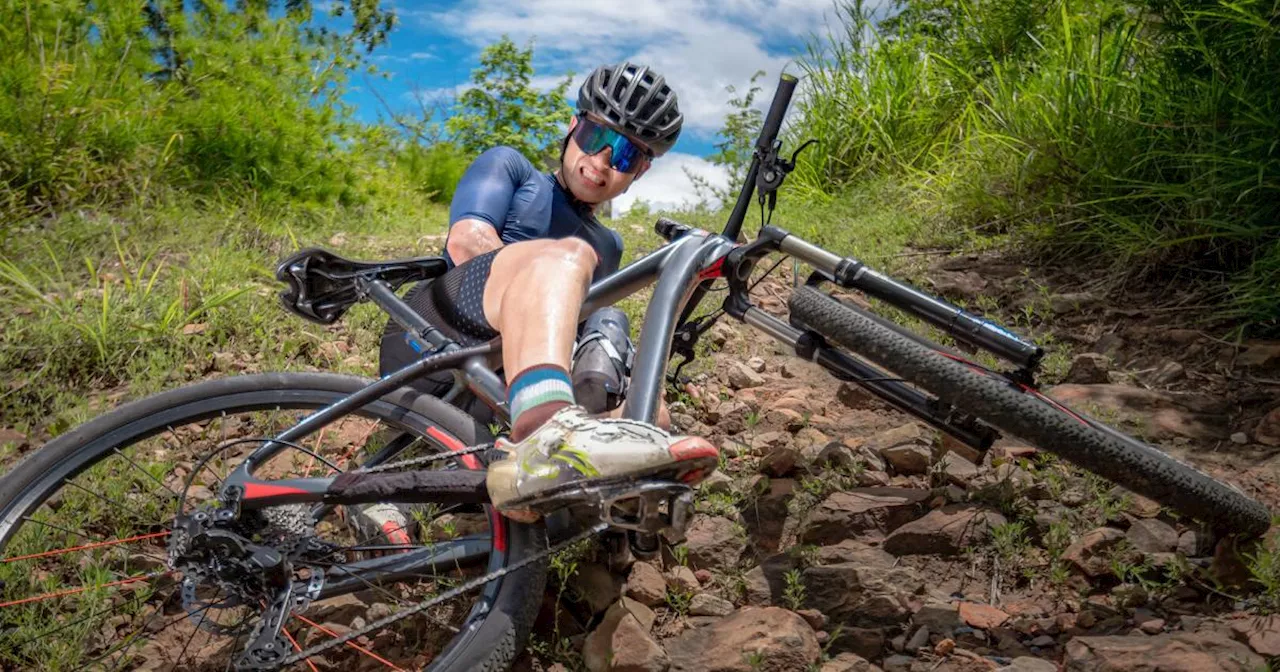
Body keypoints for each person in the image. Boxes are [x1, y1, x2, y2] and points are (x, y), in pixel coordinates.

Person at [378, 62, 719, 522]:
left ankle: (587, 448)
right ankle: (543, 431)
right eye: (597, 136)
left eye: (623, 156)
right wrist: (544, 274)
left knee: (614, 330)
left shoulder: (609, 245)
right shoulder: (511, 168)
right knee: (565, 257)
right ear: (572, 126)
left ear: (641, 170)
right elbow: (466, 241)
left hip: (502, 383)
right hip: (435, 332)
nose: (600, 163)